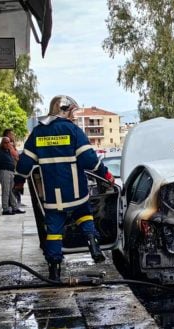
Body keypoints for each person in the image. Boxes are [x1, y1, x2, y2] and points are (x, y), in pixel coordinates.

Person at [14, 95, 114, 281]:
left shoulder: (38, 132)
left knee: (53, 232)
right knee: (84, 215)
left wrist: (19, 181)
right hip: (76, 193)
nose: (73, 116)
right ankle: (94, 247)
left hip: (52, 195)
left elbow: (25, 163)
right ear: (64, 110)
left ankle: (54, 271)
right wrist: (106, 175)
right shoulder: (72, 130)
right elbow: (90, 161)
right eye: (72, 112)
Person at [0, 136, 24, 215]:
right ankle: (5, 209)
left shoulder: (8, 152)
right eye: (5, 142)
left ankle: (15, 207)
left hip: (11, 172)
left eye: (8, 142)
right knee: (6, 191)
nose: (7, 144)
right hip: (4, 172)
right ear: (2, 143)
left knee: (12, 191)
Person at [3, 129, 24, 209]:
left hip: (14, 170)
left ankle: (14, 205)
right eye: (12, 134)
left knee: (15, 187)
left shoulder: (11, 145)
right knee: (13, 188)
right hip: (12, 170)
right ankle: (13, 205)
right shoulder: (8, 145)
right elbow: (15, 156)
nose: (13, 135)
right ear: (8, 135)